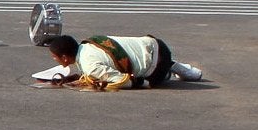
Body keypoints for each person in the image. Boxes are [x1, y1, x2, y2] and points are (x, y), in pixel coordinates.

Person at [40, 34, 202, 90]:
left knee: (158, 77)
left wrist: (145, 83)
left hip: (156, 66)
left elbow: (123, 80)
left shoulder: (90, 67)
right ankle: (177, 66)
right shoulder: (90, 42)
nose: (54, 59)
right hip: (156, 44)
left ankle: (169, 70)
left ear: (65, 58)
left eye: (55, 56)